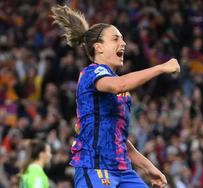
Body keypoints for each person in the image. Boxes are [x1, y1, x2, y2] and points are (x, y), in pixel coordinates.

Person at [51, 5, 180, 188]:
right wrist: (161, 67)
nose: (123, 43)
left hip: (123, 170)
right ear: (99, 47)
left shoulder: (121, 89)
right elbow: (119, 85)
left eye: (123, 39)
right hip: (95, 166)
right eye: (115, 39)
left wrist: (148, 167)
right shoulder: (91, 73)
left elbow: (118, 137)